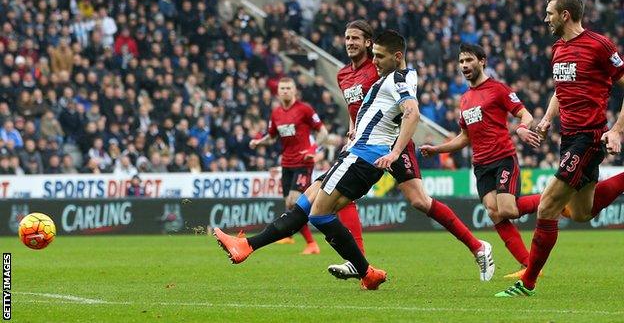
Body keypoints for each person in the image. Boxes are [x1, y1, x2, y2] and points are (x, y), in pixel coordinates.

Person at [213, 30, 420, 290]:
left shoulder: (399, 78)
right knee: (301, 207)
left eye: (379, 56)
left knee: (319, 215)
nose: (374, 61)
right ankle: (246, 246)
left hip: (363, 158)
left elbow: (412, 113)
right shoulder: (389, 79)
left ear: (397, 56)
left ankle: (366, 271)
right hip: (355, 154)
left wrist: (395, 152)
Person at [328, 20, 495, 282]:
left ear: (368, 43)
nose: (350, 43)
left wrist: (395, 148)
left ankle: (477, 246)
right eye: (347, 38)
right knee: (341, 197)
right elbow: (356, 109)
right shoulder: (342, 75)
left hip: (393, 141)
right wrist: (352, 128)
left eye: (356, 39)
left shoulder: (380, 68)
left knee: (419, 201)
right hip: (364, 142)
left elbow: (404, 101)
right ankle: (358, 263)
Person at [495, 0, 624, 297]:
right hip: (568, 138)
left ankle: (528, 282)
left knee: (549, 204)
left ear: (565, 15)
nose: (545, 18)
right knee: (581, 213)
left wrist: (617, 130)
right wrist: (547, 119)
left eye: (550, 13)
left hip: (590, 137)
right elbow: (560, 89)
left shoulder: (599, 45)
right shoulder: (558, 50)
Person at [421, 43, 542, 278]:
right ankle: (528, 265)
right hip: (481, 165)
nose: (465, 65)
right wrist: (437, 149)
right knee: (494, 212)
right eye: (461, 61)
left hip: (503, 158)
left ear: (482, 61)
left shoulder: (498, 89)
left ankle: (554, 200)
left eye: (469, 60)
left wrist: (522, 128)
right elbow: (465, 137)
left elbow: (524, 113)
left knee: (507, 209)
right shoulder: (465, 99)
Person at [249, 77, 328, 255]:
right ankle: (295, 237)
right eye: (282, 88)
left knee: (293, 202)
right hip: (286, 163)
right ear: (278, 92)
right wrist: (258, 142)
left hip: (303, 163)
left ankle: (311, 244)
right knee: (291, 206)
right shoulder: (276, 113)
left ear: (294, 91)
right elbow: (271, 137)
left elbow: (323, 132)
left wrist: (313, 149)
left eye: (288, 88)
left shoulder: (304, 109)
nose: (285, 91)